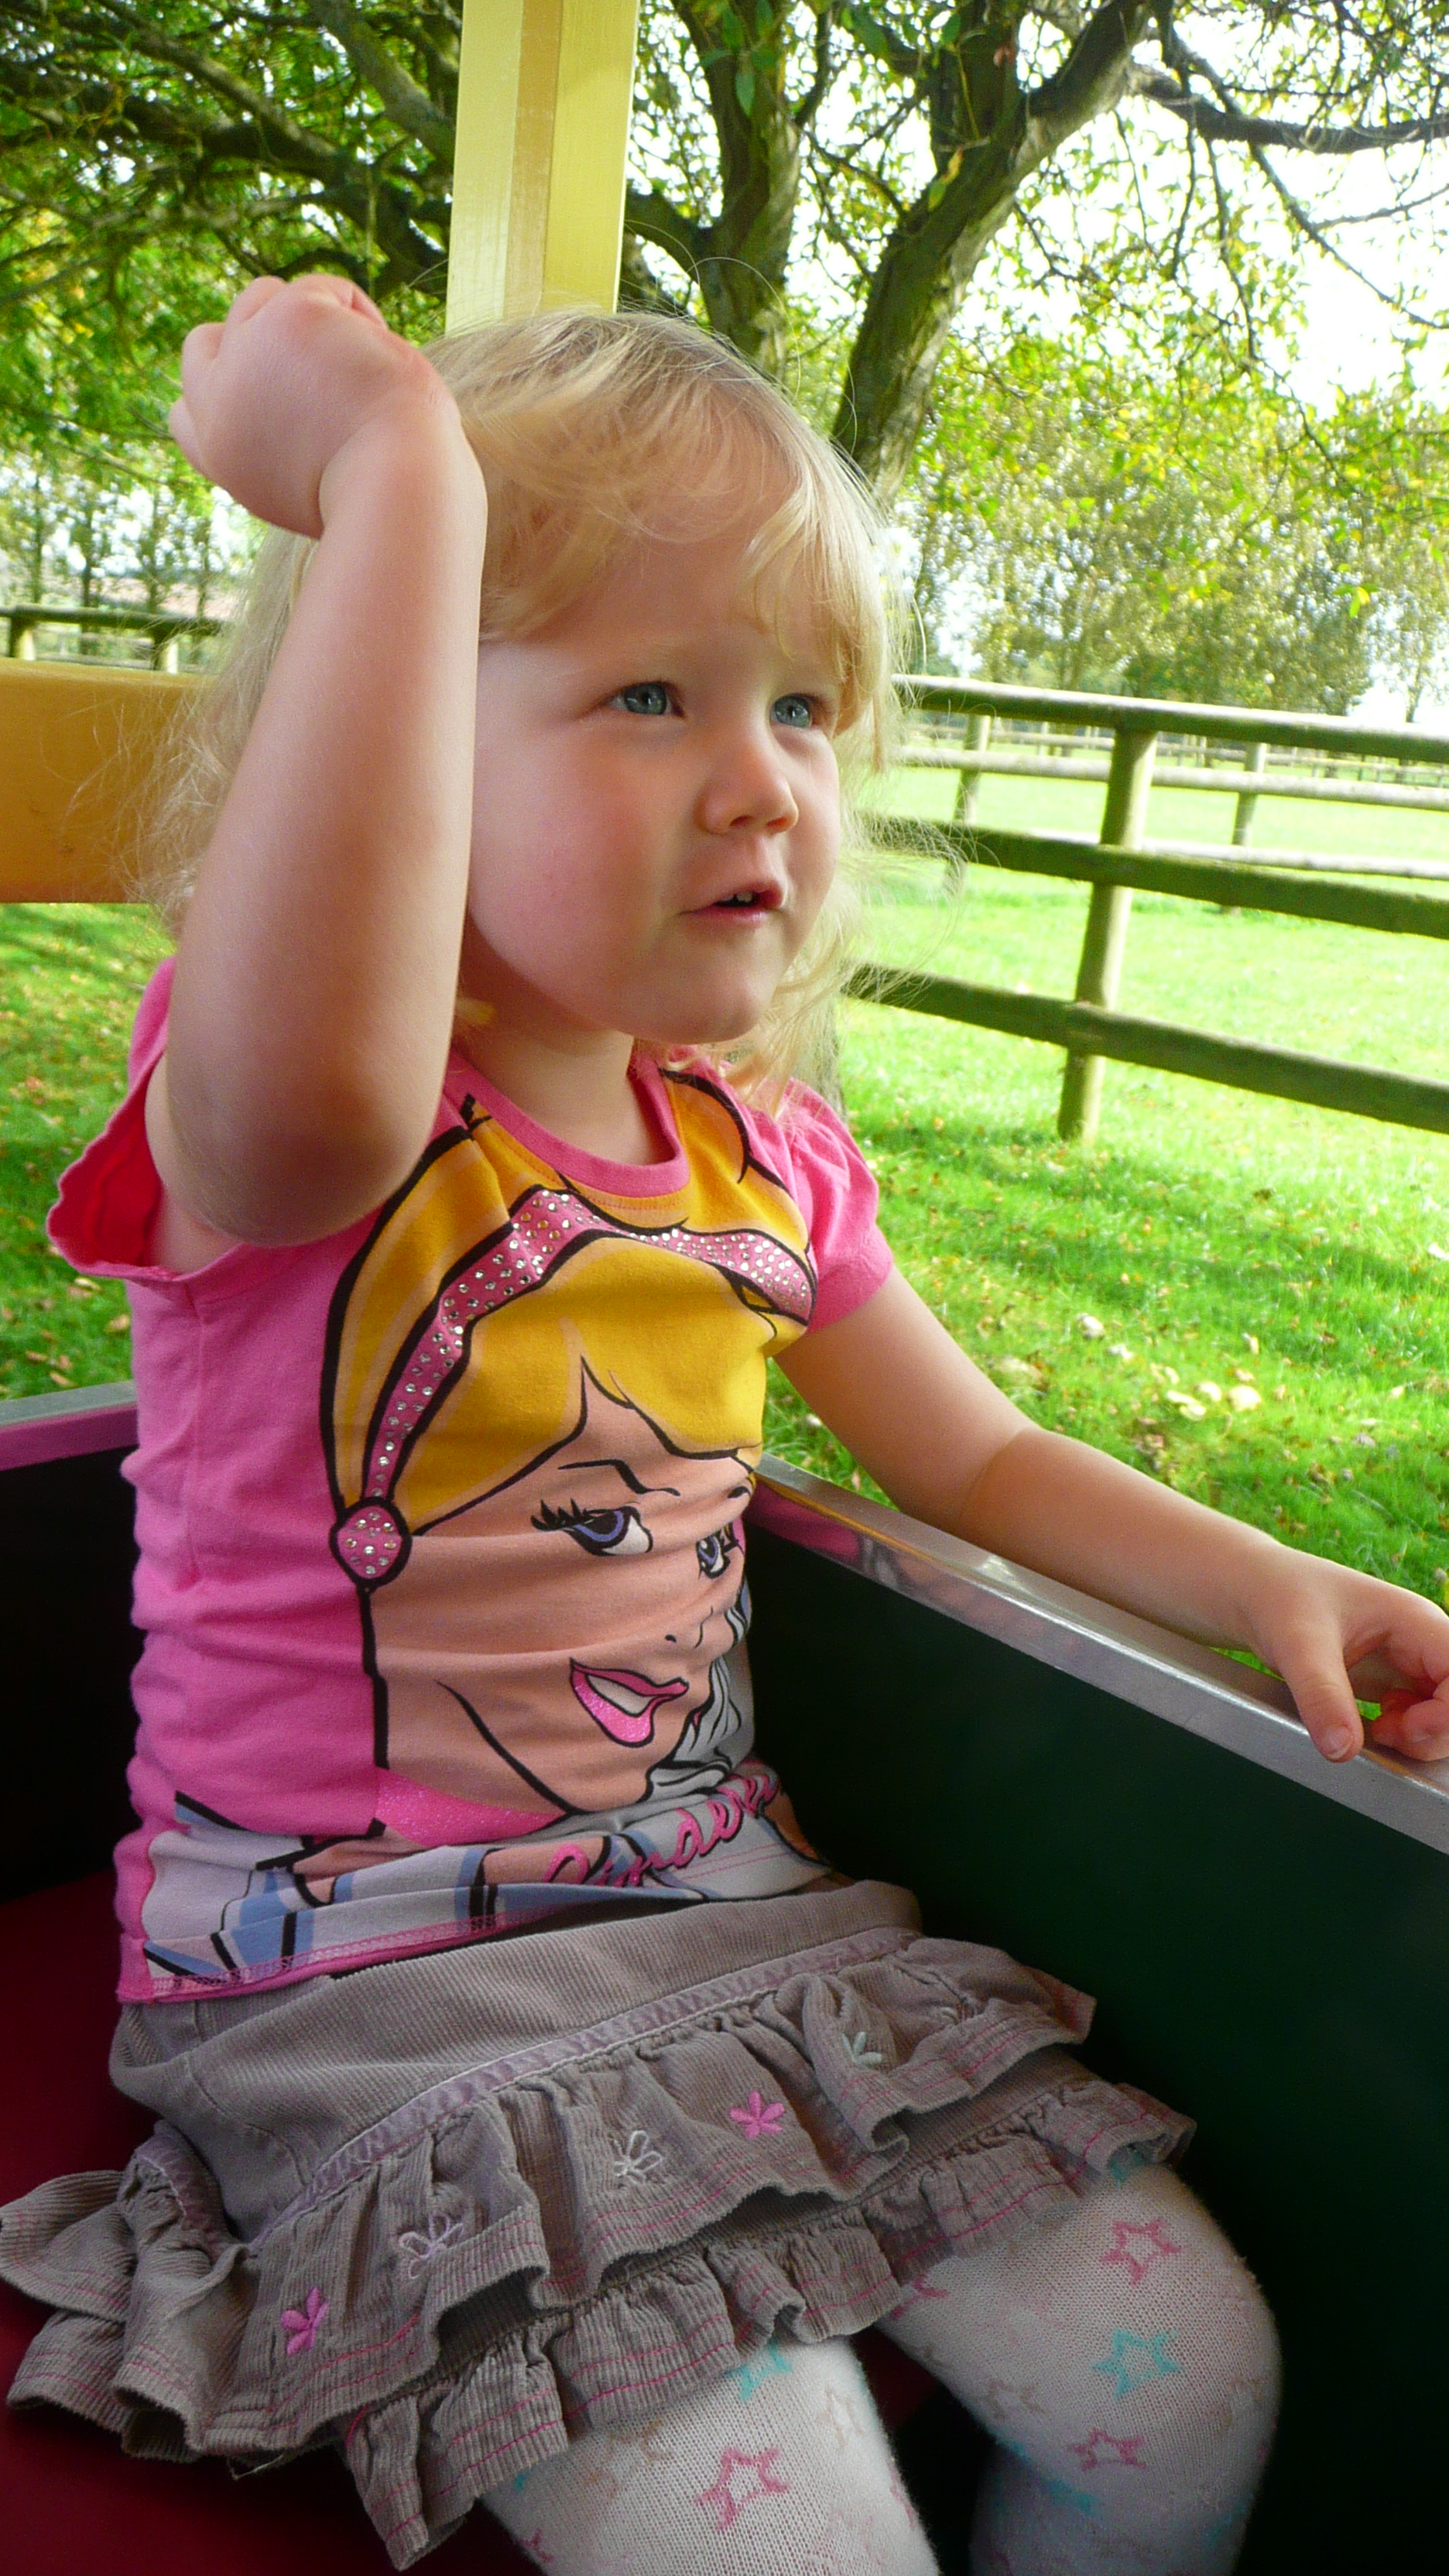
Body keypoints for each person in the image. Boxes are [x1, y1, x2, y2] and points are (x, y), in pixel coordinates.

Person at [4, 279, 1447, 2576]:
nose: (765, 776)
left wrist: (1266, 1580)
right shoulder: (310, 1108)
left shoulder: (762, 1161)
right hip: (358, 1990)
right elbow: (311, 1095)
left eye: (801, 704)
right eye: (649, 693)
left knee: (1191, 2385)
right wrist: (391, 470)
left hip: (724, 1917)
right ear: (391, 731)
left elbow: (977, 1463)